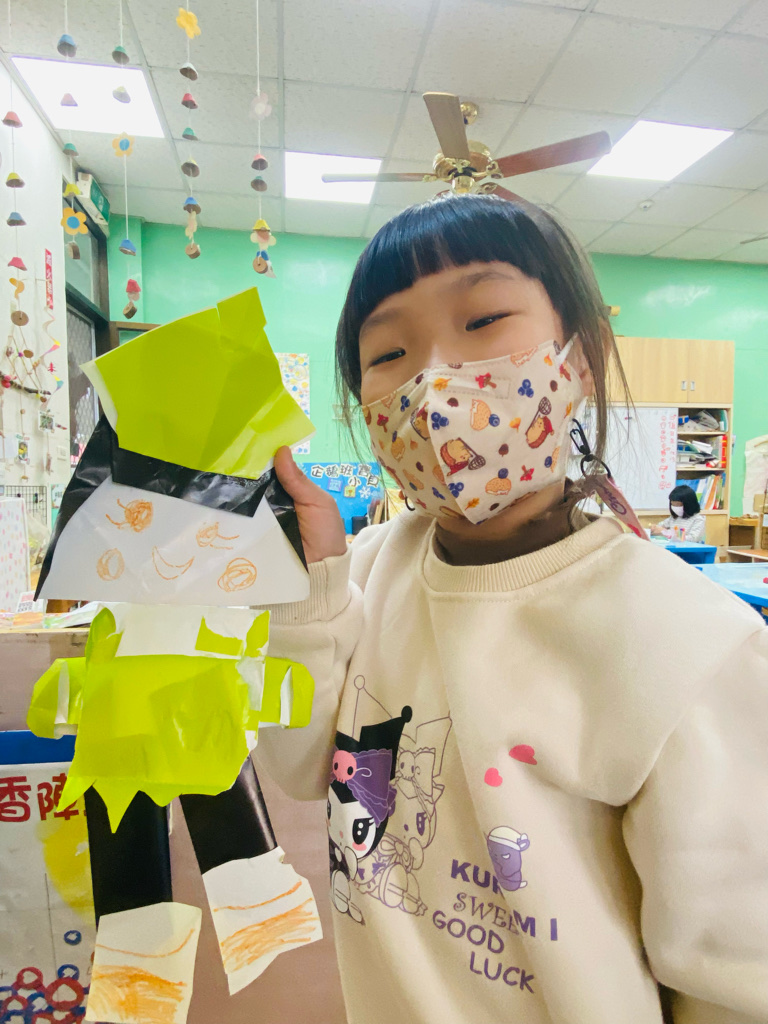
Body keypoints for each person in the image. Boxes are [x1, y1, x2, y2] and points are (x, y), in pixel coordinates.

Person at [256, 195, 768, 1024]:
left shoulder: (690, 643)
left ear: (581, 358)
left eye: (484, 319)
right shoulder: (370, 571)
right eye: (389, 352)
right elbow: (297, 768)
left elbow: (735, 978)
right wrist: (308, 585)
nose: (433, 380)